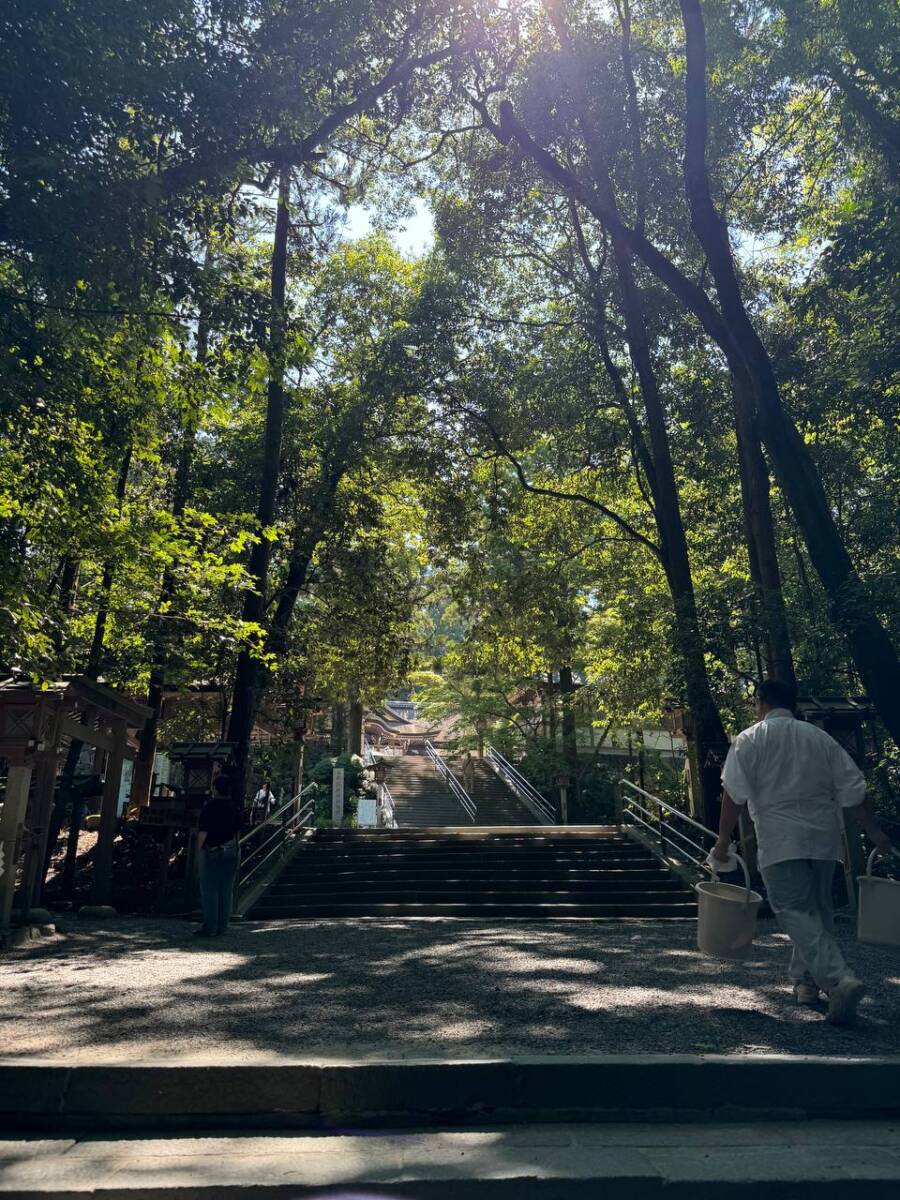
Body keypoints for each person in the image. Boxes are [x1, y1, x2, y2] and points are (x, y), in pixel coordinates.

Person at [714, 679, 893, 1026]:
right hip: (823, 836)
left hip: (780, 836)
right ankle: (805, 982)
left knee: (794, 910)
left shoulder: (750, 739)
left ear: (760, 702)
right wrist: (874, 831)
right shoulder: (819, 738)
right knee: (818, 911)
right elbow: (854, 789)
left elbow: (734, 795)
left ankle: (839, 979)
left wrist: (723, 839)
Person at [195, 774, 243, 938]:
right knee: (226, 890)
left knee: (210, 890)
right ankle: (223, 926)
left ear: (215, 789)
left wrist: (199, 851)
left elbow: (203, 831)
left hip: (211, 850)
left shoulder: (209, 807)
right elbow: (237, 832)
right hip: (231, 850)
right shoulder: (234, 808)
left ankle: (210, 927)